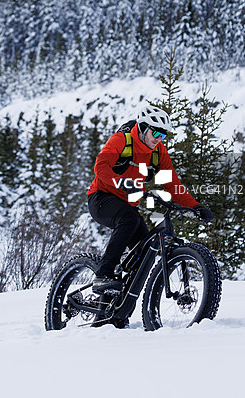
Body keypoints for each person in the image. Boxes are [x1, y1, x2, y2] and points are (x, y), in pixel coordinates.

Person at [87, 101, 213, 292]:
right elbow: (101, 166)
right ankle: (103, 274)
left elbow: (172, 184)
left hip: (128, 205)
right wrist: (120, 183)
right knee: (128, 220)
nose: (158, 139)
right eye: (155, 133)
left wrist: (195, 206)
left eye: (163, 135)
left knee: (145, 251)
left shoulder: (158, 153)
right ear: (143, 128)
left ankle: (117, 309)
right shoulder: (122, 140)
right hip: (102, 198)